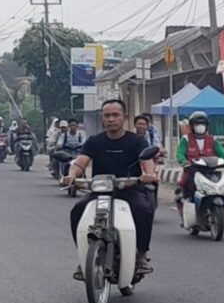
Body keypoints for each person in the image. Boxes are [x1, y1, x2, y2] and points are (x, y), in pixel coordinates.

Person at [64, 99, 158, 280]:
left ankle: (141, 255)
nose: (111, 119)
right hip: (100, 191)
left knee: (143, 209)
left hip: (130, 189)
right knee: (77, 211)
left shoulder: (137, 141)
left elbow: (147, 162)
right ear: (102, 118)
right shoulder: (94, 141)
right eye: (107, 115)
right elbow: (80, 162)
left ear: (125, 117)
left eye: (115, 115)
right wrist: (72, 175)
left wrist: (149, 174)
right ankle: (84, 256)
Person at [175, 111, 224, 218]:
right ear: (192, 126)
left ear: (206, 126)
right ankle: (184, 201)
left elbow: (222, 153)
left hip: (210, 170)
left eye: (203, 124)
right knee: (184, 182)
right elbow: (180, 153)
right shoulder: (186, 139)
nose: (200, 127)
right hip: (192, 170)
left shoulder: (212, 139)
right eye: (197, 124)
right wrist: (184, 161)